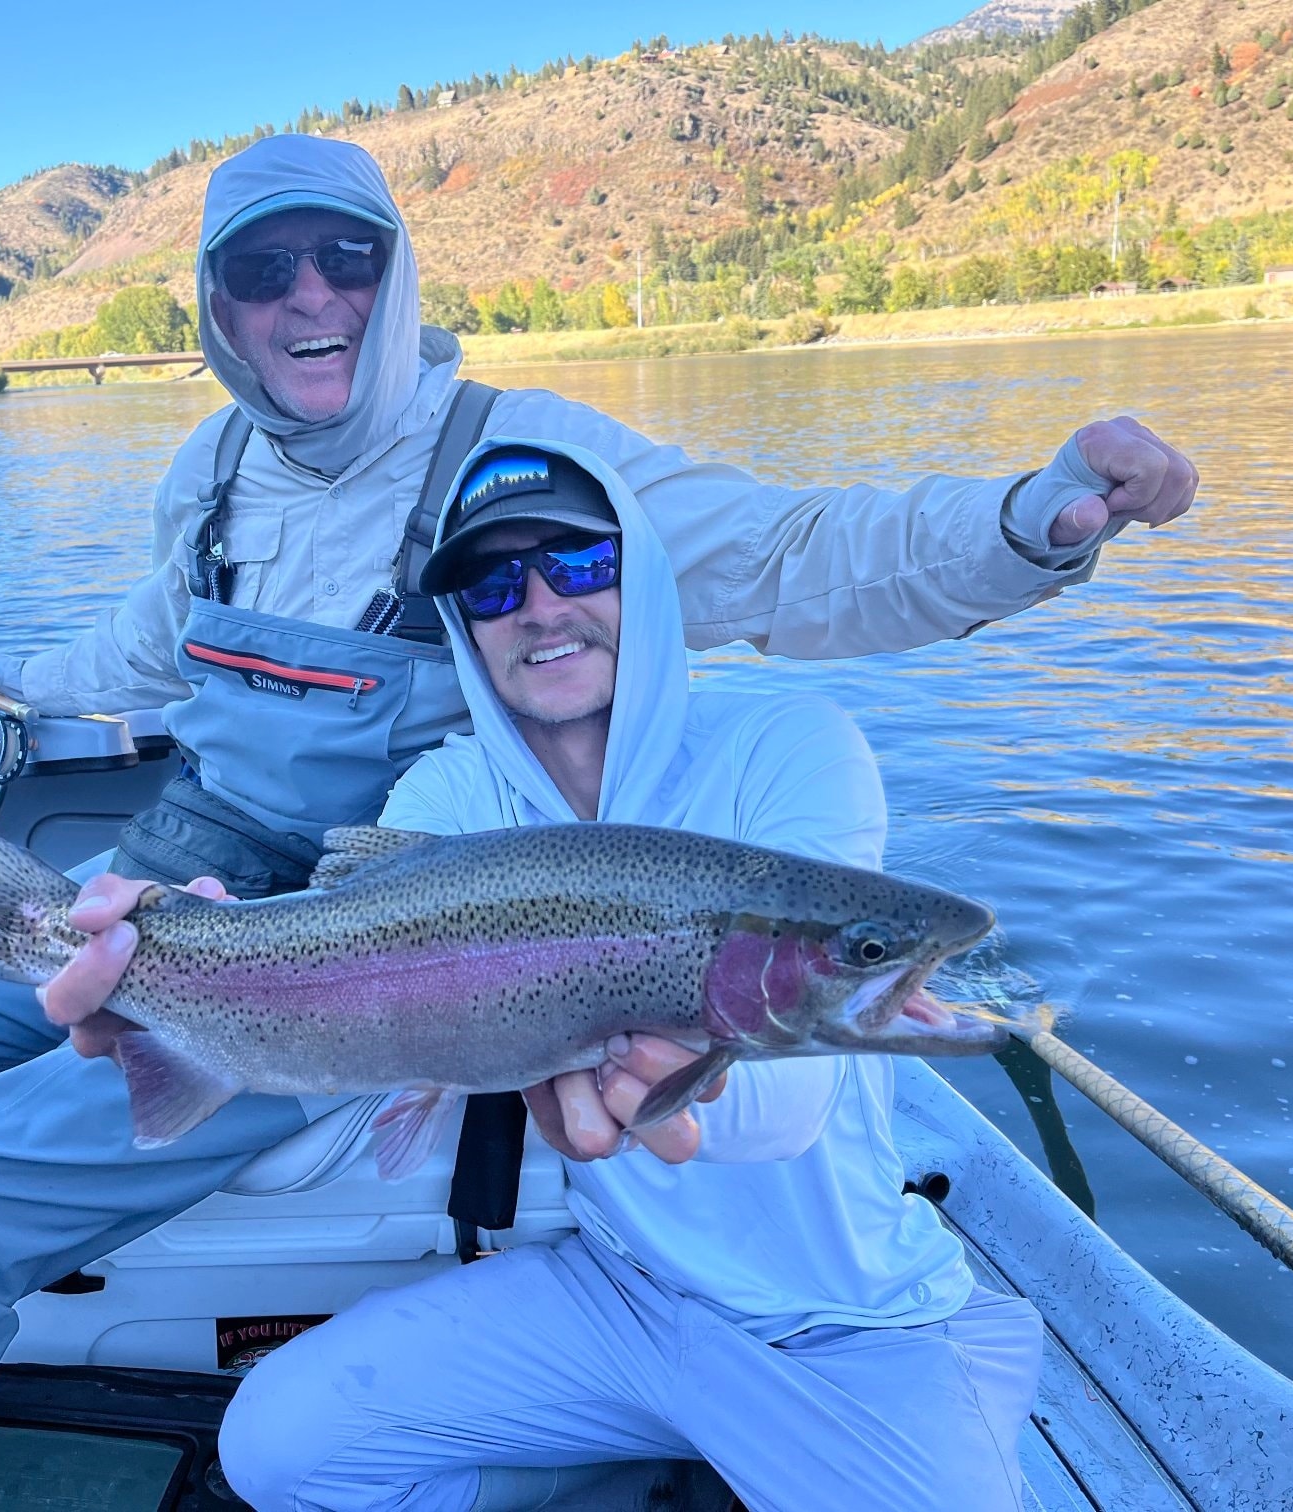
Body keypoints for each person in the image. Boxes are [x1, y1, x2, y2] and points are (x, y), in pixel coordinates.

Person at [0, 131, 1189, 1509]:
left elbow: (799, 551)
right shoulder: (207, 473)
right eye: (262, 269)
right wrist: (24, 684)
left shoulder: (521, 459)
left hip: (365, 951)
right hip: (169, 891)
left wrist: (1026, 525)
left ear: (397, 271)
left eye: (345, 257)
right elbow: (148, 647)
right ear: (216, 306)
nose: (309, 298)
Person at [201, 437, 1042, 1511]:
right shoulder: (448, 797)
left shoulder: (789, 741)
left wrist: (675, 1105)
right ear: (462, 623)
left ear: (637, 574)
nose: (541, 606)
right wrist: (199, 957)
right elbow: (354, 960)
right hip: (622, 1299)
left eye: (580, 564)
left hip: (847, 1321)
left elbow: (788, 1104)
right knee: (276, 1450)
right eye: (494, 583)